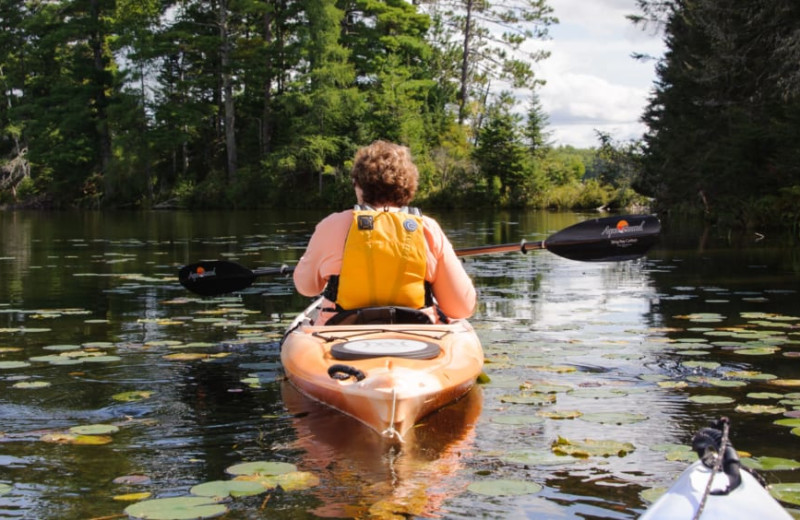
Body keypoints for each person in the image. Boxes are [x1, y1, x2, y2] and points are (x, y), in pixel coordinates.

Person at [293, 140, 476, 325]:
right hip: (418, 336)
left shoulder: (331, 225)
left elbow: (306, 287)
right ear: (408, 185)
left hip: (339, 335)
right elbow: (461, 307)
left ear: (358, 185)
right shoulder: (428, 229)